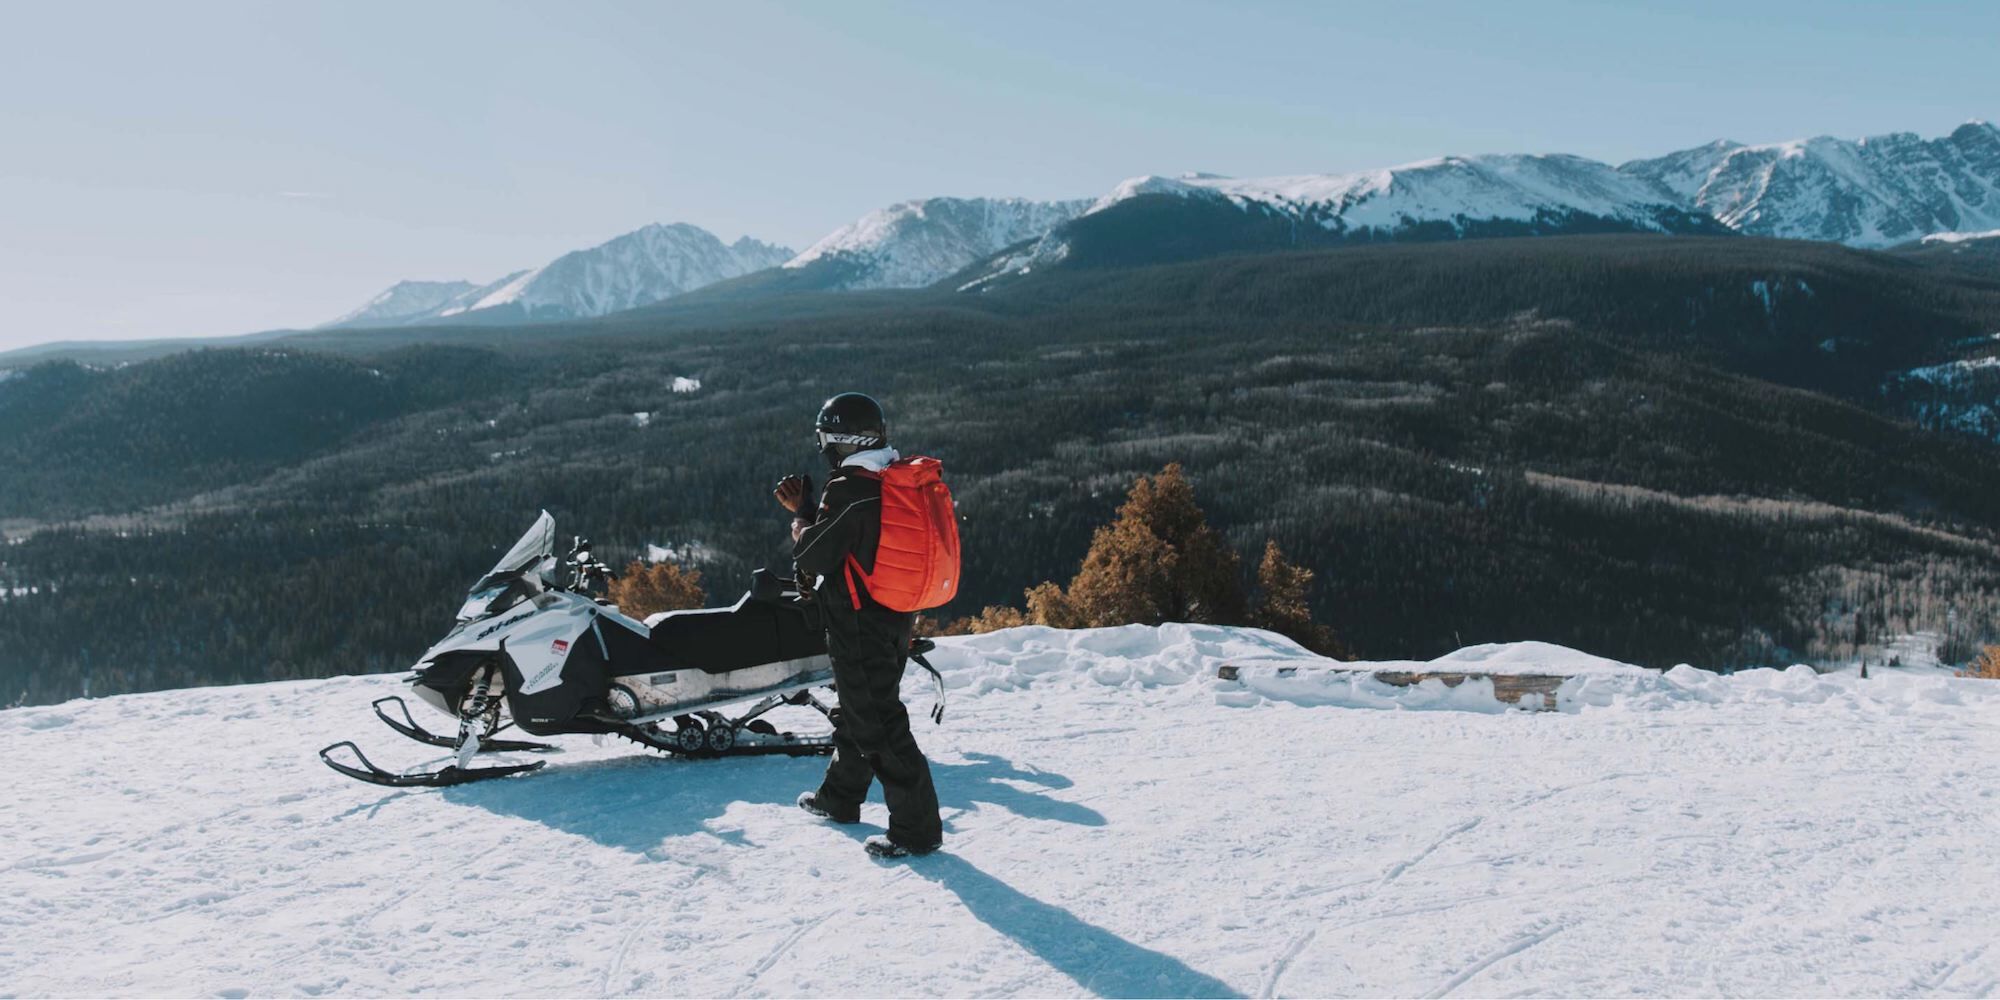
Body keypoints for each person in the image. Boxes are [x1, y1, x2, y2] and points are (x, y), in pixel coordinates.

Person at [773, 392, 944, 858]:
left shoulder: (852, 486)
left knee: (879, 724)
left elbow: (814, 552)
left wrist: (802, 514)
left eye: (825, 438)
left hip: (859, 621)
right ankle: (839, 798)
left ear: (839, 440)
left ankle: (917, 832)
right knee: (860, 708)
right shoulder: (891, 476)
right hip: (894, 615)